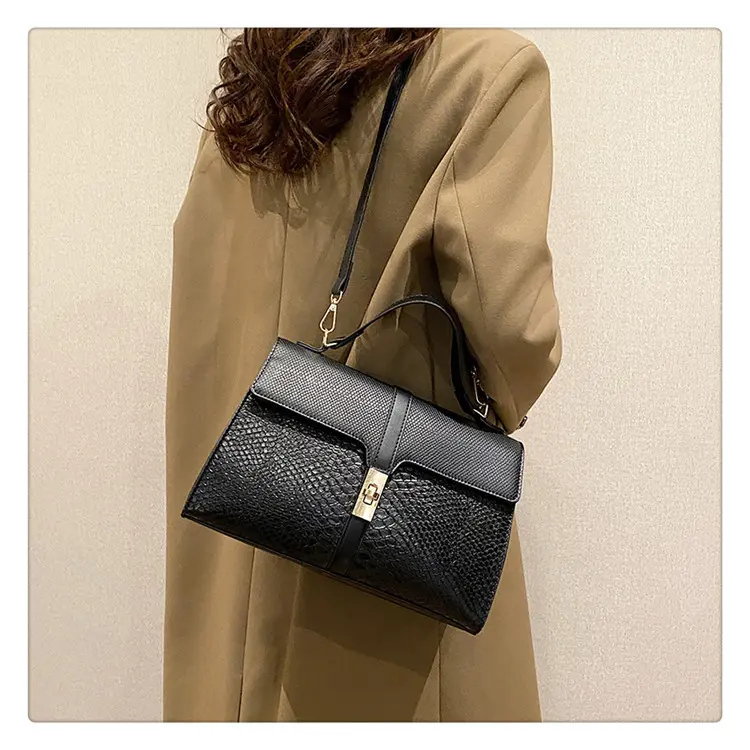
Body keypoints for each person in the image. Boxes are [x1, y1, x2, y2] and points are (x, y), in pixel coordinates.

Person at [164, 27, 562, 722]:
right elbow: (515, 331)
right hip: (387, 560)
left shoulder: (249, 98)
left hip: (234, 538)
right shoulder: (485, 74)